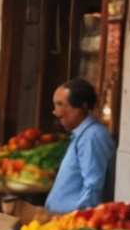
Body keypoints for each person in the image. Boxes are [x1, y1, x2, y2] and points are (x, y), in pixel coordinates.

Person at [44, 78, 115, 215]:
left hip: (73, 222)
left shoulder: (92, 137)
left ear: (83, 106)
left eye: (60, 105)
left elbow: (93, 189)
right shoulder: (83, 135)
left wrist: (78, 220)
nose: (55, 112)